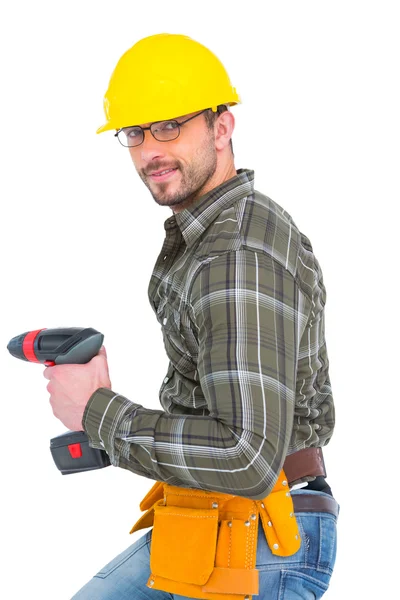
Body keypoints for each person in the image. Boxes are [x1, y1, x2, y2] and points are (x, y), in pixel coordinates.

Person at [43, 33, 339, 600]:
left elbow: (247, 455)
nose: (151, 148)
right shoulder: (215, 236)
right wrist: (101, 425)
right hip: (213, 520)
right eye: (135, 132)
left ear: (222, 128)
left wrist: (96, 412)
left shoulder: (235, 255)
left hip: (259, 539)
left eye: (170, 126)